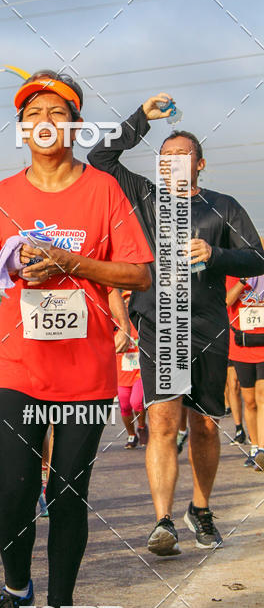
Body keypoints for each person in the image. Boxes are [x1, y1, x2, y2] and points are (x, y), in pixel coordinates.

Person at [0, 70, 152, 608]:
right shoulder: (3, 193)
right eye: (33, 114)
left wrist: (72, 262)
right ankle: (15, 589)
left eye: (57, 112)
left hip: (84, 369)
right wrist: (12, 266)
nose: (44, 122)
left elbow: (138, 273)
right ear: (22, 129)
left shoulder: (104, 191)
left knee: (69, 492)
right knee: (13, 491)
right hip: (17, 364)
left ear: (75, 125)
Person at [89, 96, 264, 554]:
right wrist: (141, 118)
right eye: (164, 156)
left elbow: (257, 258)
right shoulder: (146, 197)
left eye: (181, 155)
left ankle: (200, 510)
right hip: (159, 323)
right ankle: (162, 521)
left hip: (207, 325)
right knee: (163, 421)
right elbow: (100, 158)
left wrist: (217, 254)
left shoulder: (223, 206)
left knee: (204, 426)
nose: (171, 162)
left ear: (200, 164)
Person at [226, 275, 264, 471]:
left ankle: (263, 450)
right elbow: (227, 301)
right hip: (242, 345)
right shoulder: (234, 272)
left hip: (263, 343)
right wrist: (243, 280)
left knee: (262, 395)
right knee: (249, 401)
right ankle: (255, 447)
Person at [111, 289, 146, 448]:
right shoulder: (115, 324)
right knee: (125, 406)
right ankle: (132, 435)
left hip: (139, 372)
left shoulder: (143, 322)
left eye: (130, 300)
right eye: (124, 301)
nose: (127, 304)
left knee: (136, 402)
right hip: (122, 372)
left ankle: (142, 427)